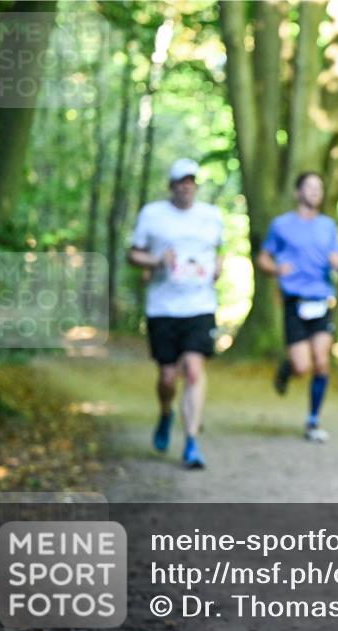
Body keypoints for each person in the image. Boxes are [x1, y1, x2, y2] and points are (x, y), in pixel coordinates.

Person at [128, 158, 224, 469]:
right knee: (168, 377)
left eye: (191, 181)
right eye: (181, 181)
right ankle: (166, 412)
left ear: (196, 185)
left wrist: (218, 267)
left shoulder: (212, 217)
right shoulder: (152, 215)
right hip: (163, 307)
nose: (186, 186)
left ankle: (192, 442)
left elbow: (217, 255)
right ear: (171, 185)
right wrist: (156, 261)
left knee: (194, 371)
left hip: (200, 305)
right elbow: (133, 254)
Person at [257, 172, 338, 443]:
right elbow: (263, 257)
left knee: (321, 361)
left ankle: (313, 421)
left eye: (319, 187)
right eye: (310, 187)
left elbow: (337, 257)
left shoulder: (328, 226)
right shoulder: (281, 225)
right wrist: (275, 268)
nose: (316, 191)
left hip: (321, 301)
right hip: (294, 302)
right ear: (298, 193)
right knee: (302, 366)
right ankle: (287, 368)